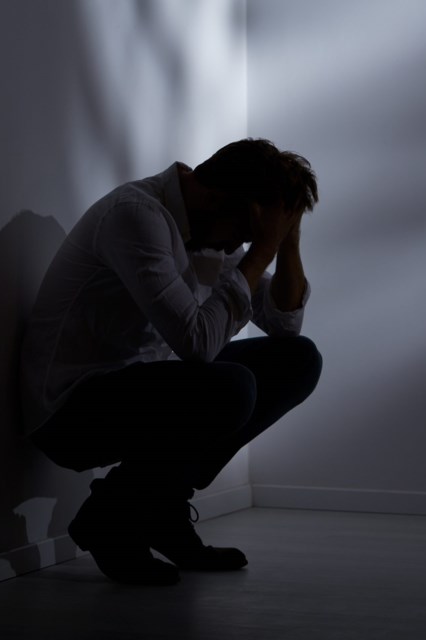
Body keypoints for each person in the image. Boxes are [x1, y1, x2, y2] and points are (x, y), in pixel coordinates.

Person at [19, 138, 323, 585]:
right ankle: (111, 519)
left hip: (138, 392)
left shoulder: (209, 226)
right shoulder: (136, 216)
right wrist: (260, 252)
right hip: (70, 411)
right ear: (218, 196)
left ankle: (160, 510)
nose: (242, 244)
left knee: (297, 360)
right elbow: (197, 344)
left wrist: (287, 243)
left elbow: (284, 328)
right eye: (246, 231)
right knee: (231, 387)